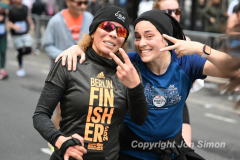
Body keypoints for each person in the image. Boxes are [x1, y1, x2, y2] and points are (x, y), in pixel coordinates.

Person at [57, 9, 239, 159]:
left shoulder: (186, 62)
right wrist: (78, 48)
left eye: (149, 36)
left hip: (171, 152)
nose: (141, 43)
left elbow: (234, 70)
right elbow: (97, 58)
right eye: (137, 37)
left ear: (166, 38)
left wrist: (201, 49)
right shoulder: (128, 62)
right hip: (130, 151)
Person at [33, 3, 148, 160]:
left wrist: (135, 87)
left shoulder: (128, 71)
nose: (114, 34)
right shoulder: (70, 62)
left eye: (121, 31)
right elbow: (40, 114)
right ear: (93, 31)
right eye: (107, 26)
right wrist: (61, 141)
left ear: (123, 40)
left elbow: (139, 119)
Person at [41, 0, 93, 134]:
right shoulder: (56, 21)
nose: (83, 6)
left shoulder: (90, 18)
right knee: (61, 110)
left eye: (85, 2)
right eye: (79, 2)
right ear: (68, 2)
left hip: (85, 73)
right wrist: (66, 55)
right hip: (62, 73)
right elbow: (47, 45)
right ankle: (56, 142)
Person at [8, 0, 35, 77]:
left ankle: (20, 53)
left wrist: (32, 24)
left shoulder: (25, 7)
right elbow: (9, 22)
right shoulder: (11, 9)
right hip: (16, 33)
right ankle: (20, 68)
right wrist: (15, 27)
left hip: (24, 32)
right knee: (20, 50)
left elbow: (27, 16)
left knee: (29, 49)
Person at [0, 3, 8, 80]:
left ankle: (2, 69)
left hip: (3, 35)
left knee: (3, 51)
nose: (3, 10)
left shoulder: (5, 13)